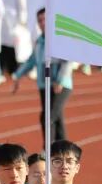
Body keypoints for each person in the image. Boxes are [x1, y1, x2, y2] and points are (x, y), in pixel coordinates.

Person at [14, 9, 74, 143]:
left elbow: (67, 60)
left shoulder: (60, 39)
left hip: (60, 85)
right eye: (40, 20)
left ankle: (48, 149)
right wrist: (18, 75)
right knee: (57, 118)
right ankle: (63, 148)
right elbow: (32, 60)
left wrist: (60, 80)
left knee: (48, 117)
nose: (42, 23)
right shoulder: (39, 42)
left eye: (45, 19)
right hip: (44, 85)